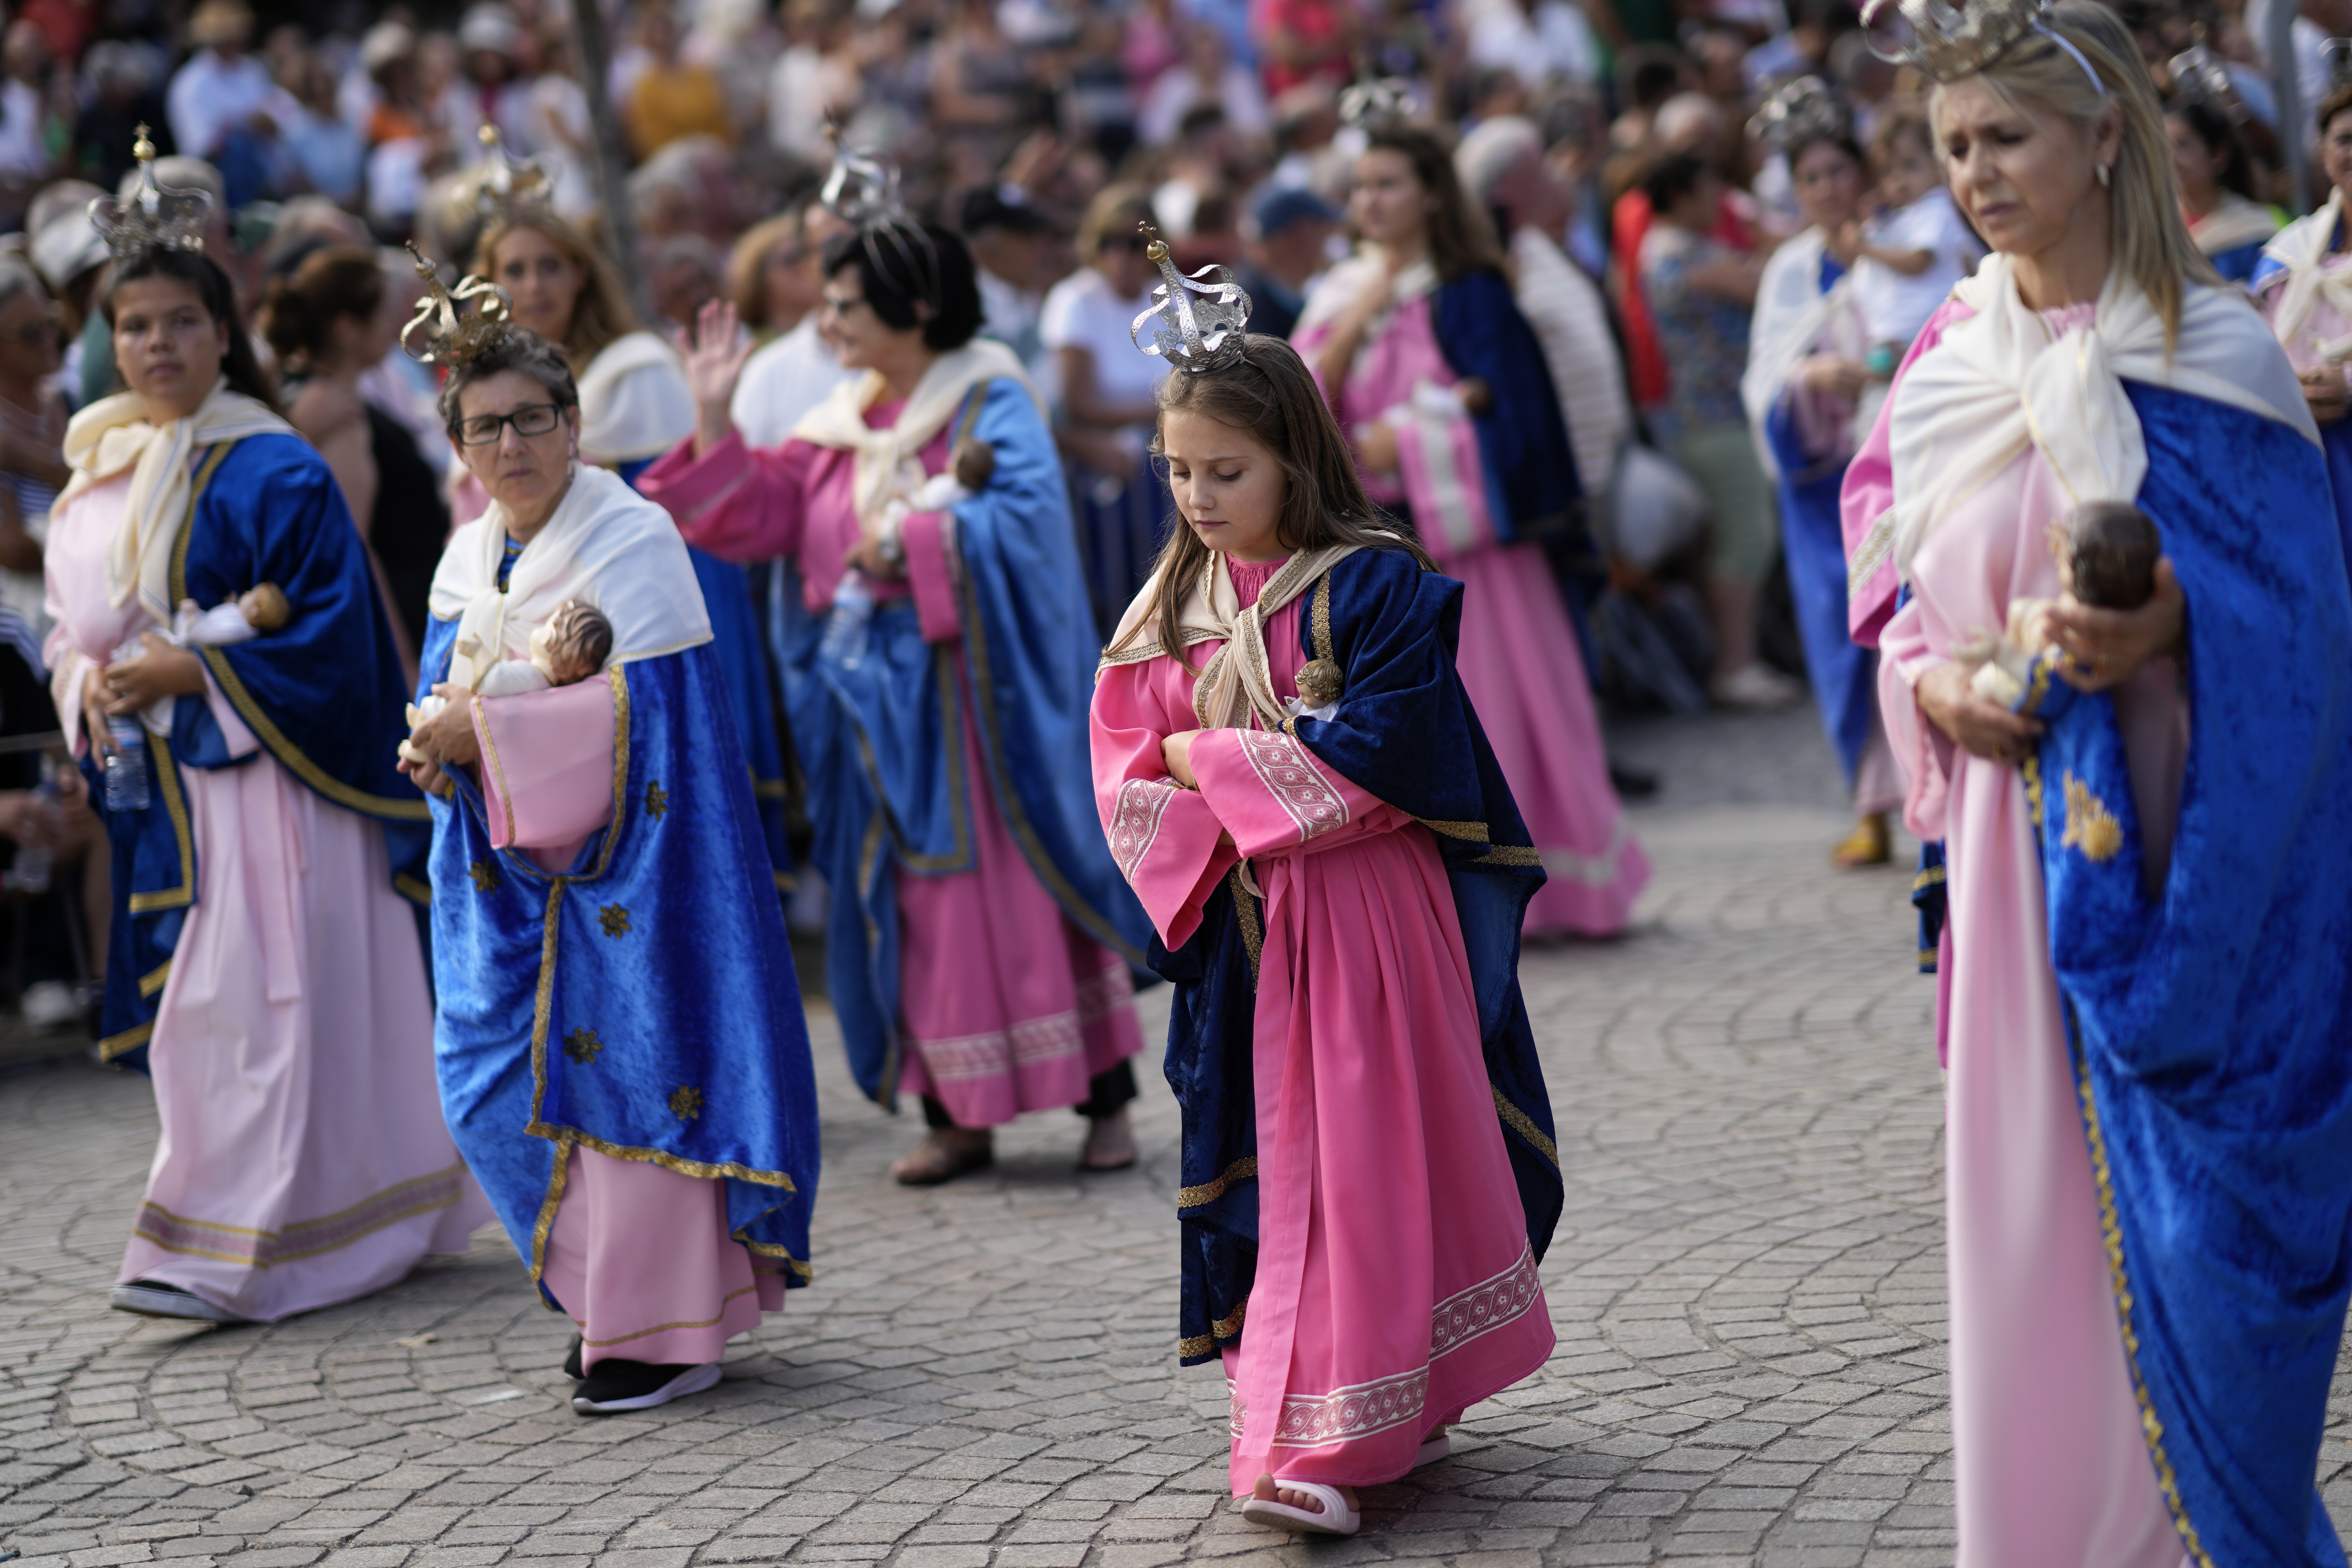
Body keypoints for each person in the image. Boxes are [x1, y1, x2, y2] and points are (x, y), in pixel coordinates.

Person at [1841, 4, 2352, 1560]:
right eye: (1951, 148)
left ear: (2104, 139)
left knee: (2194, 1254)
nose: (1975, 175)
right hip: (2016, 864)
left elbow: (2307, 610)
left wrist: (2170, 613)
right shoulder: (1942, 366)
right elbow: (1900, 594)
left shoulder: (2217, 347)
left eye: (2006, 139)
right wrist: (1929, 684)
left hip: (2202, 872)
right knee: (2032, 1237)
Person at [1089, 309, 1561, 1537]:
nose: (1196, 494)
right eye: (1177, 469)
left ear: (1295, 458)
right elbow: (1125, 774)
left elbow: (1393, 753)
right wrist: (1208, 770)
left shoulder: (1375, 583)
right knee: (1282, 1158)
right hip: (1244, 929)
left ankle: (1338, 1432)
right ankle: (1343, 1400)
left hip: (1367, 918)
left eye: (1225, 470)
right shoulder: (1167, 606)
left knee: (1365, 1155)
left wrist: (1206, 751)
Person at [48, 145, 483, 1325]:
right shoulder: (101, 471)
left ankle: (249, 1245)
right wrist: (86, 678)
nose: (156, 346)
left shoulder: (271, 463)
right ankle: (258, 1223)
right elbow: (68, 626)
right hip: (171, 786)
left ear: (222, 329)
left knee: (259, 1002)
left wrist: (199, 663)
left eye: (181, 320)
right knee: (210, 1008)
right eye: (135, 325)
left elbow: (338, 630)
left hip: (274, 788)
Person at [642, 211, 1155, 1185]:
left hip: (978, 716)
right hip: (871, 719)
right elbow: (754, 519)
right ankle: (957, 1116)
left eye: (844, 304)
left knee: (1025, 894)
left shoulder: (990, 400)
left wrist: (912, 547)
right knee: (906, 907)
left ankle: (1105, 1101)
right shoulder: (839, 422)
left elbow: (1027, 521)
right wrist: (715, 419)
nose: (827, 322)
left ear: (915, 307)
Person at [400, 320, 817, 1417]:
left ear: (573, 424)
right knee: (481, 1077)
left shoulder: (634, 539)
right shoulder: (461, 555)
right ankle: (607, 1296)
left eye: (533, 417)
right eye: (486, 425)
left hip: (633, 869)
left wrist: (482, 733)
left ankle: (656, 1325)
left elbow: (648, 717)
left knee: (635, 1076)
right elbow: (454, 683)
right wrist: (441, 745)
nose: (513, 441)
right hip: (497, 879)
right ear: (460, 445)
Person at [1293, 119, 1648, 937]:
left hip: (1478, 548)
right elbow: (1307, 403)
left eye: (1389, 184)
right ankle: (1442, 892)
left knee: (1503, 708)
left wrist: (1410, 440)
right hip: (1382, 547)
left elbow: (1518, 421)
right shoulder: (1344, 291)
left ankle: (1539, 888)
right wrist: (1366, 311)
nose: (1371, 201)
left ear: (1430, 195)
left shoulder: (1471, 290)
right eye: (1361, 186)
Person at [472, 203, 793, 888]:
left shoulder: (634, 371)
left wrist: (710, 416)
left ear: (583, 275)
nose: (532, 287)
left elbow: (680, 515)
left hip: (623, 615)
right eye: (514, 271)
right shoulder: (481, 397)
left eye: (549, 266)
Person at [1738, 91, 1906, 867]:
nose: (1829, 187)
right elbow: (1766, 375)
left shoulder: (1905, 244)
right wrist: (1811, 378)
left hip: (1902, 468)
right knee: (1844, 646)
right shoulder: (1789, 270)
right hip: (1820, 491)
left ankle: (1937, 796)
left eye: (1839, 169)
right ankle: (1870, 803)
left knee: (1910, 629)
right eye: (1811, 177)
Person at [1639, 151, 1796, 710]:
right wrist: (1764, 229)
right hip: (1714, 419)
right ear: (1681, 195)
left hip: (1713, 415)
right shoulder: (1680, 253)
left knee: (1738, 536)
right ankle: (1736, 664)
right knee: (1747, 536)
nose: (1719, 202)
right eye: (1709, 189)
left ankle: (1740, 658)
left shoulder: (1675, 248)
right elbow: (1768, 282)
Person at [259, 245, 450, 658]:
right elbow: (353, 552)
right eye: (384, 311)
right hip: (398, 621)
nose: (396, 323)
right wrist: (402, 662)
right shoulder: (336, 414)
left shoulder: (316, 395)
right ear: (348, 328)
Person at [1455, 116, 1632, 519]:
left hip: (1611, 459)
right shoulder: (1489, 270)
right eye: (1540, 171)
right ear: (1505, 193)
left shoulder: (1537, 242)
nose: (1556, 176)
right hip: (1572, 481)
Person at [1041, 186, 1175, 630]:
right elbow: (1080, 403)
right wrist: (1159, 412)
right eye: (1108, 243)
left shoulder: (1172, 299)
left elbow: (1196, 385)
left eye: (1134, 243)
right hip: (1105, 460)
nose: (1122, 255)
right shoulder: (1074, 300)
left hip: (1168, 442)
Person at [2253, 80, 2352, 576]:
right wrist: (2289, 387)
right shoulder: (2288, 255)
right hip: (2304, 459)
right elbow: (2254, 350)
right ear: (2323, 152)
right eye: (2345, 139)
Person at [1847, 110, 1982, 368]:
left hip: (1937, 332)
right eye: (1888, 172)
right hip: (1901, 339)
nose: (1899, 180)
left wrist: (1866, 248)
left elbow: (1918, 261)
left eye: (1910, 166)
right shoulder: (1898, 217)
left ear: (1937, 165)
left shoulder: (1936, 208)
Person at [726, 201, 853, 453]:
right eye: (834, 246)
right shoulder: (766, 372)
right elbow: (746, 482)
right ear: (805, 267)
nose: (854, 259)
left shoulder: (916, 350)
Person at [2168, 96, 2277, 284]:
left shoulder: (2253, 232)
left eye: (2183, 145)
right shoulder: (2154, 227)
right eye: (2162, 148)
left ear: (2219, 155)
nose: (2171, 159)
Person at [1234, 186, 1338, 342]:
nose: (1329, 241)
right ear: (1303, 235)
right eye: (1324, 230)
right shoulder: (1246, 310)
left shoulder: (1261, 292)